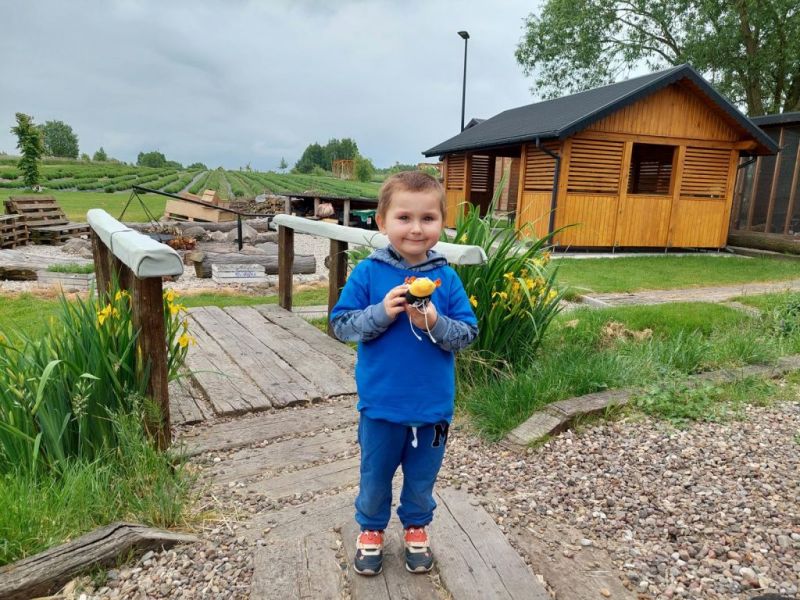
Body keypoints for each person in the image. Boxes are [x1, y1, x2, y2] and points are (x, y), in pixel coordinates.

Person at [330, 171, 478, 576]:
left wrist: (435, 321)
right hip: (380, 405)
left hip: (433, 408)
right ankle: (371, 530)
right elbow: (341, 326)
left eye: (428, 218)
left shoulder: (446, 279)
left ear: (442, 222)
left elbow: (467, 334)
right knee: (375, 474)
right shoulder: (368, 273)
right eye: (404, 217)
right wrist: (381, 312)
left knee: (422, 476)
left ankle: (416, 526)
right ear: (382, 222)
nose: (416, 228)